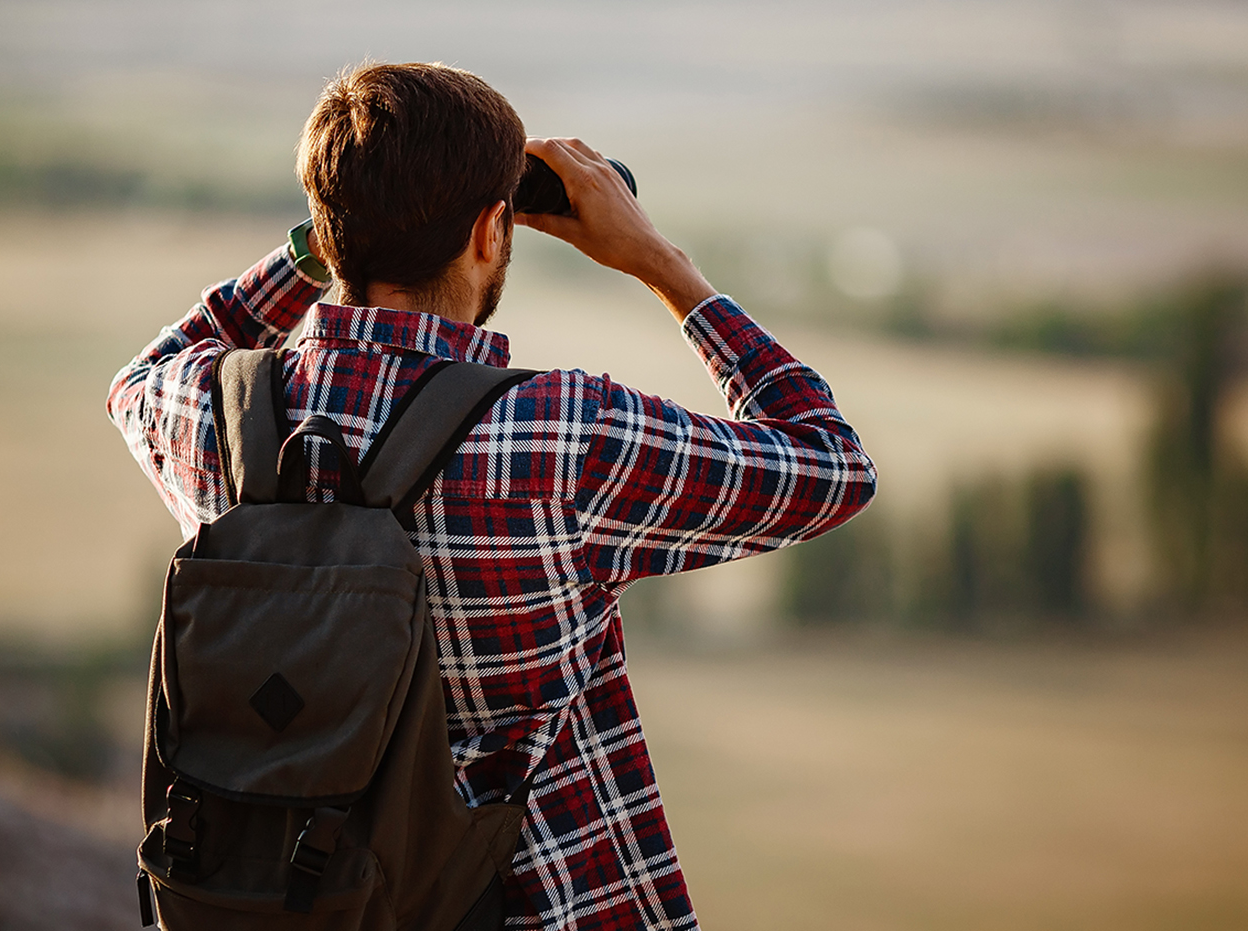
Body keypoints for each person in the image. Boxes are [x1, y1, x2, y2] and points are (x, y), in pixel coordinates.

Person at [108, 61, 876, 930]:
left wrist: (310, 246)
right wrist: (661, 263)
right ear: (488, 232)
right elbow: (829, 466)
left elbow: (143, 372)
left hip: (286, 896)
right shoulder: (556, 436)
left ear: (328, 228)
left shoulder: (218, 415)